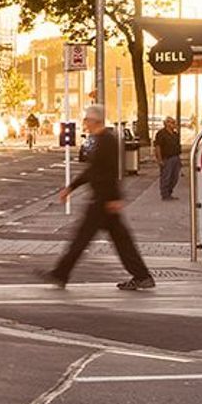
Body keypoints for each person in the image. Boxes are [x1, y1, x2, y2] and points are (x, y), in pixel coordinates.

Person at [48, 104, 153, 291]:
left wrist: (114, 198)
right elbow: (92, 171)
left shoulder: (107, 141)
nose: (85, 123)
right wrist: (71, 188)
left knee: (82, 239)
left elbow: (112, 171)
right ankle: (142, 275)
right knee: (121, 241)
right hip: (105, 200)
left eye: (87, 120)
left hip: (103, 201)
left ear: (95, 120)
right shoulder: (100, 140)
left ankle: (61, 273)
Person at [153, 115, 183, 203]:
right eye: (172, 122)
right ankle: (165, 194)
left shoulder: (175, 134)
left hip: (175, 157)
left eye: (174, 123)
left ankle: (170, 192)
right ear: (167, 124)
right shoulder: (161, 134)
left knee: (175, 177)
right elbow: (157, 147)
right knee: (166, 177)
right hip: (167, 158)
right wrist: (159, 159)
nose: (174, 124)